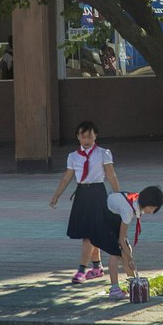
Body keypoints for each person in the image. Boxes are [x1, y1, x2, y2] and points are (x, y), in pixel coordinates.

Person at [49, 120, 121, 284]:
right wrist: (56, 195)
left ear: (95, 136)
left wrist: (118, 195)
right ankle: (96, 267)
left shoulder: (104, 153)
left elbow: (111, 175)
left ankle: (82, 269)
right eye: (83, 137)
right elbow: (67, 177)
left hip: (97, 194)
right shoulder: (73, 156)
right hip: (82, 194)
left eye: (89, 136)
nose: (86, 140)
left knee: (89, 235)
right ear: (78, 137)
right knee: (88, 232)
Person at [90, 185, 163, 300]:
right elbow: (121, 238)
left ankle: (133, 283)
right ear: (148, 204)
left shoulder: (136, 201)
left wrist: (129, 255)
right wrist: (130, 259)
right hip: (101, 218)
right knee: (115, 252)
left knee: (126, 249)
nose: (152, 211)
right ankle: (114, 289)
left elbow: (123, 239)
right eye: (152, 207)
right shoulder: (128, 210)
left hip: (112, 216)